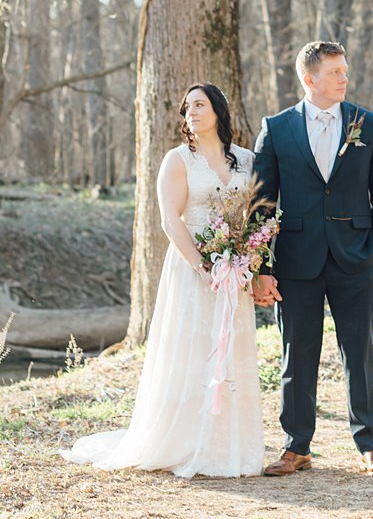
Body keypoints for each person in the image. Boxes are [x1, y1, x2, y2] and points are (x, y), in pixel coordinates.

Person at [62, 83, 264, 478]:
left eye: (200, 105)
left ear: (219, 111)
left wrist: (243, 261)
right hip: (193, 268)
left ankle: (227, 446)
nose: (191, 112)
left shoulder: (246, 160)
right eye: (187, 107)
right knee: (190, 349)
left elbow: (253, 215)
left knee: (230, 350)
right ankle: (184, 442)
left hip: (233, 271)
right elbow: (170, 220)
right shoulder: (178, 160)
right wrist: (202, 266)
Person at [251, 41, 373, 476]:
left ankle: (372, 446)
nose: (344, 79)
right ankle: (296, 447)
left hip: (356, 258)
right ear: (309, 78)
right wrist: (261, 267)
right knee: (296, 356)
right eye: (335, 71)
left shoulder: (367, 125)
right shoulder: (277, 129)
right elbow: (260, 203)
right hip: (297, 261)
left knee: (360, 354)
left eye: (345, 71)